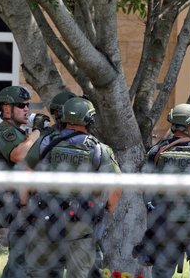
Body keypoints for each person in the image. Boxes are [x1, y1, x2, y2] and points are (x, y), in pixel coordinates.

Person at [23, 97, 122, 278]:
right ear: (90, 118)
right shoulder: (99, 149)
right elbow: (116, 187)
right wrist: (107, 210)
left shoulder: (46, 141)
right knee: (79, 273)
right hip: (81, 218)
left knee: (39, 272)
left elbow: (26, 172)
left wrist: (24, 203)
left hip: (45, 214)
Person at [133, 103, 190, 278]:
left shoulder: (156, 153)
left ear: (172, 123)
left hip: (165, 225)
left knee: (161, 274)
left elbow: (145, 188)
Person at [0, 85, 36, 278]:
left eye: (28, 105)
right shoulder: (6, 133)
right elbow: (19, 155)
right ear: (6, 108)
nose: (26, 109)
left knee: (22, 258)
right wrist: (36, 133)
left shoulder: (19, 134)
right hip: (18, 203)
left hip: (24, 201)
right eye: (21, 105)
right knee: (22, 259)